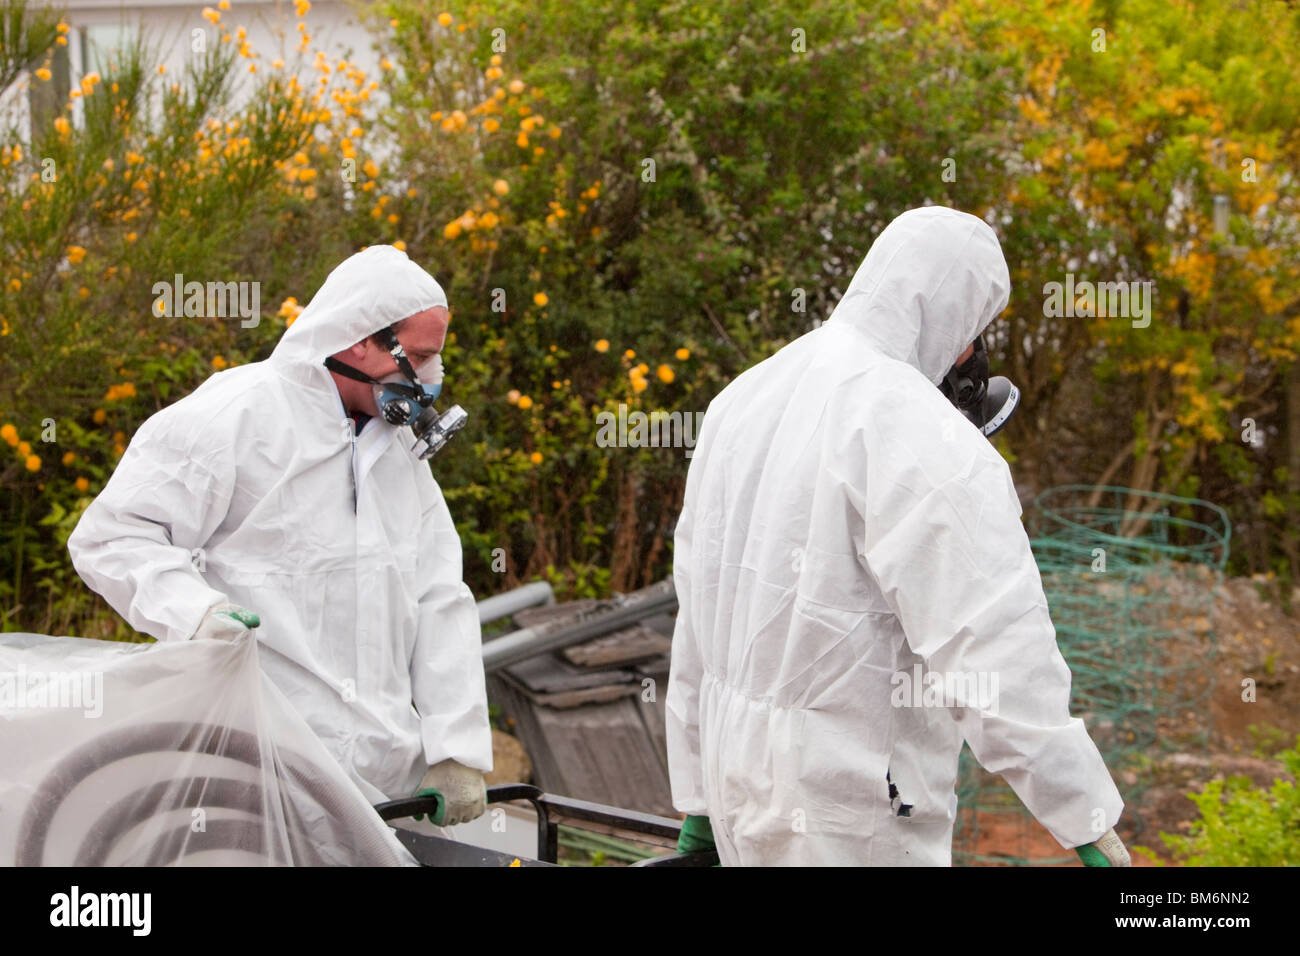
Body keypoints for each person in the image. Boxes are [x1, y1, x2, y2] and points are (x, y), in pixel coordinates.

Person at [665, 206, 1129, 866]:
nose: (972, 355)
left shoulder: (744, 397)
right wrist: (1083, 816)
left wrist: (699, 802)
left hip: (733, 779)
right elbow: (993, 644)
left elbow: (698, 619)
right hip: (850, 807)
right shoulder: (917, 429)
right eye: (975, 329)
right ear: (956, 315)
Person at [68, 245, 491, 825]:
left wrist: (456, 750)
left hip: (383, 787)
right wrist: (193, 611)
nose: (431, 380)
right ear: (360, 340)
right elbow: (111, 536)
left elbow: (439, 596)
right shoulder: (235, 418)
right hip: (250, 774)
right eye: (419, 358)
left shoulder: (401, 460)